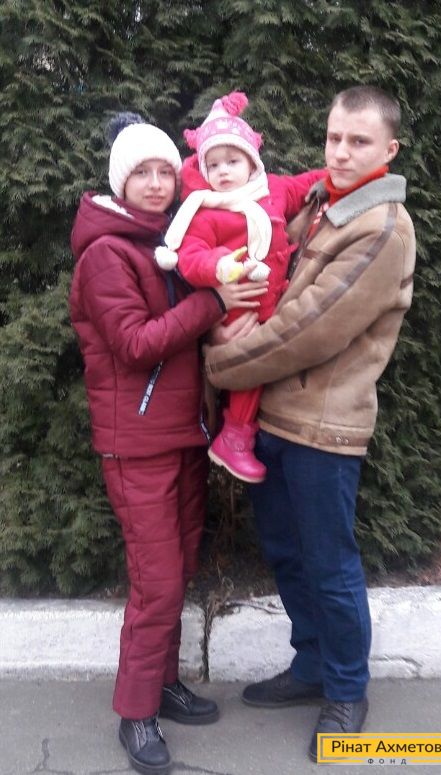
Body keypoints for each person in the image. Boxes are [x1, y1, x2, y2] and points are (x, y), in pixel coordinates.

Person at [204, 85, 416, 762]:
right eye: (333, 137)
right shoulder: (320, 204)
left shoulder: (381, 228)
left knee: (329, 564)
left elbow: (308, 328)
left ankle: (346, 691)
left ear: (388, 149)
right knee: (289, 554)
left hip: (324, 427)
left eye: (358, 141)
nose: (341, 151)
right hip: (271, 416)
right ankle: (311, 665)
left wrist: (218, 362)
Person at [69, 112, 267, 775]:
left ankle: (163, 682)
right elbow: (134, 344)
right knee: (155, 584)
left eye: (163, 171)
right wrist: (214, 301)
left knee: (177, 571)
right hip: (137, 445)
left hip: (182, 434)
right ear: (119, 181)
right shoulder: (107, 254)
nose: (156, 183)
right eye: (141, 173)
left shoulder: (164, 241)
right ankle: (136, 712)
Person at [154, 91, 326, 484]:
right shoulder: (206, 211)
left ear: (252, 162)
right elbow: (190, 257)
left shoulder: (273, 190)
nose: (223, 172)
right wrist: (220, 266)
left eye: (233, 161)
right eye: (213, 164)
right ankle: (235, 436)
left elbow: (308, 183)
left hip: (274, 299)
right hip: (239, 306)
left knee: (263, 368)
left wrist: (340, 178)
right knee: (253, 367)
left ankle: (238, 432)